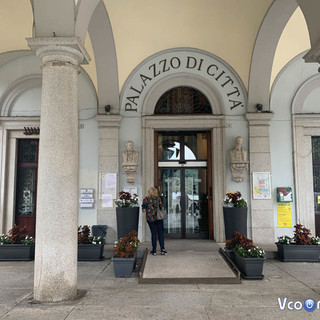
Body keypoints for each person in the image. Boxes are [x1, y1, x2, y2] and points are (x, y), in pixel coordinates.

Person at [142, 187, 167, 256]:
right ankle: (162, 249)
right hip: (159, 218)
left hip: (150, 219)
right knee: (160, 233)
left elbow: (143, 209)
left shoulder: (146, 199)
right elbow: (162, 207)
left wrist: (148, 208)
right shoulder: (158, 199)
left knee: (153, 233)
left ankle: (154, 250)